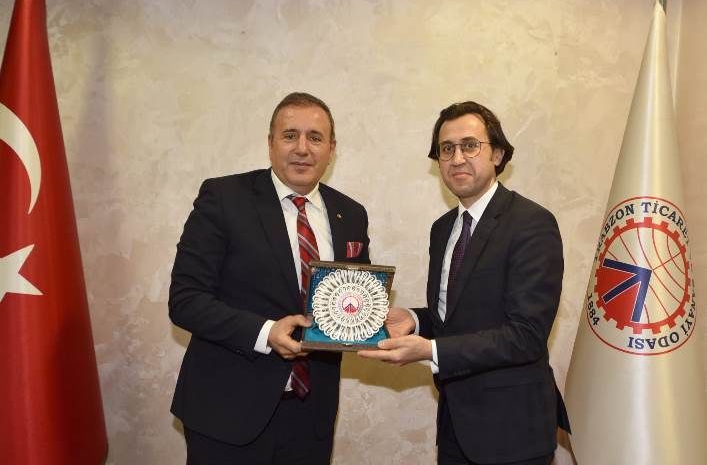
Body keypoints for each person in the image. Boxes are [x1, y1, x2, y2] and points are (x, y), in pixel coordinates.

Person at [360, 101, 570, 465]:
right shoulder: (443, 229)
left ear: (497, 154)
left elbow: (526, 335)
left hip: (512, 431)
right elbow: (458, 316)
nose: (457, 158)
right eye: (447, 149)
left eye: (470, 145)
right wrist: (415, 319)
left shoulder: (532, 223)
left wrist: (430, 350)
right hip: (454, 424)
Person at [169, 92, 370, 464]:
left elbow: (352, 301)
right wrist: (265, 333)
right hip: (227, 413)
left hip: (311, 416)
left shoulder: (351, 214)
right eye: (290, 135)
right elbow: (186, 300)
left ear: (331, 149)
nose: (302, 148)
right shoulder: (224, 197)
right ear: (270, 143)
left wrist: (376, 322)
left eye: (315, 137)